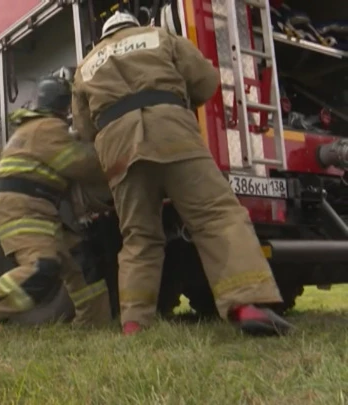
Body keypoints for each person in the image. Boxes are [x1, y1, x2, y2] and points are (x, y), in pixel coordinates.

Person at [71, 11, 294, 336]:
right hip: (173, 134)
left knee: (139, 237)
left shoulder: (86, 66)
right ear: (133, 25)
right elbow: (205, 79)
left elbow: (83, 126)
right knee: (216, 216)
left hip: (119, 150)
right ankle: (247, 306)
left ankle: (134, 323)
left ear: (104, 35)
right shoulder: (160, 36)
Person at [0, 76, 112, 334]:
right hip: (24, 209)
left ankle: (92, 322)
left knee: (81, 262)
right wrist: (114, 152)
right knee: (42, 269)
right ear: (63, 107)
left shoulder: (28, 128)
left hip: (36, 208)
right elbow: (81, 164)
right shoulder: (47, 128)